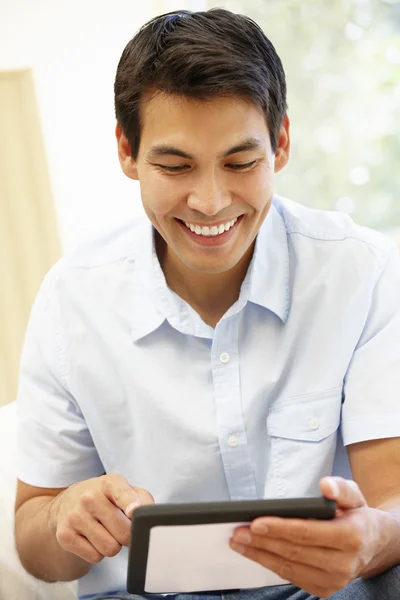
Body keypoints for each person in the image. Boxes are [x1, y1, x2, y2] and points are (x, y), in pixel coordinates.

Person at [13, 7, 400, 600]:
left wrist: (370, 538)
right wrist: (65, 516)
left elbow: (391, 498)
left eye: (241, 163)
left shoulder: (362, 271)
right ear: (127, 151)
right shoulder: (72, 301)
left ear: (282, 142)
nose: (211, 201)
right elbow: (33, 536)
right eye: (175, 166)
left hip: (327, 590)